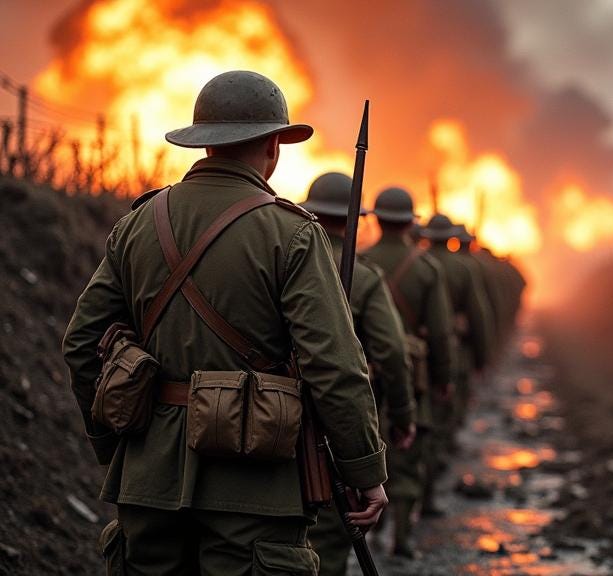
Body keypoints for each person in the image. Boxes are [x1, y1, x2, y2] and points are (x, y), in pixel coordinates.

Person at [63, 70, 387, 575]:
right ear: (273, 146)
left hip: (147, 480)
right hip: (257, 490)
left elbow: (82, 344)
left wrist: (114, 447)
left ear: (205, 143)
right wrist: (363, 468)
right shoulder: (293, 234)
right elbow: (335, 366)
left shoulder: (138, 223)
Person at [301, 172, 416, 574]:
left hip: (267, 415)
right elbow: (394, 353)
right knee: (332, 536)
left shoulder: (276, 257)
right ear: (354, 220)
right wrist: (403, 417)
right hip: (334, 423)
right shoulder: (363, 276)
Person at [362, 186, 454, 558]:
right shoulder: (427, 269)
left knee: (370, 445)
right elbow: (441, 331)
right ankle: (400, 539)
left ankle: (371, 530)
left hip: (362, 373)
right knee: (407, 453)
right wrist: (443, 378)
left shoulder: (359, 263)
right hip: (411, 374)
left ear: (378, 218)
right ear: (410, 222)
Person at [420, 215, 494, 488]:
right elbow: (479, 315)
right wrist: (483, 356)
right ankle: (429, 480)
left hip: (397, 360)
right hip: (450, 351)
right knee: (440, 416)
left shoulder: (416, 261)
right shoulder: (463, 268)